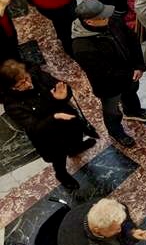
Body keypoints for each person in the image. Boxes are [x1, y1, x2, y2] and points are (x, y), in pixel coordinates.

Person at [0, 60, 95, 191]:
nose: (28, 84)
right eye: (21, 84)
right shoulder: (12, 104)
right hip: (49, 135)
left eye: (26, 78)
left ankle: (75, 149)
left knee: (75, 137)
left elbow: (62, 88)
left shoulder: (36, 75)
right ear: (11, 87)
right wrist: (54, 116)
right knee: (58, 157)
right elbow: (34, 127)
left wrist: (63, 96)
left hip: (67, 121)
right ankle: (62, 175)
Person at [71, 0, 146, 148]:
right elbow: (104, 73)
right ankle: (116, 132)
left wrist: (138, 65)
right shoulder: (82, 47)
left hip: (129, 73)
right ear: (90, 22)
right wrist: (130, 73)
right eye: (103, 16)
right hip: (109, 86)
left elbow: (132, 38)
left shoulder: (111, 20)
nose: (108, 17)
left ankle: (133, 111)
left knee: (131, 92)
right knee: (112, 110)